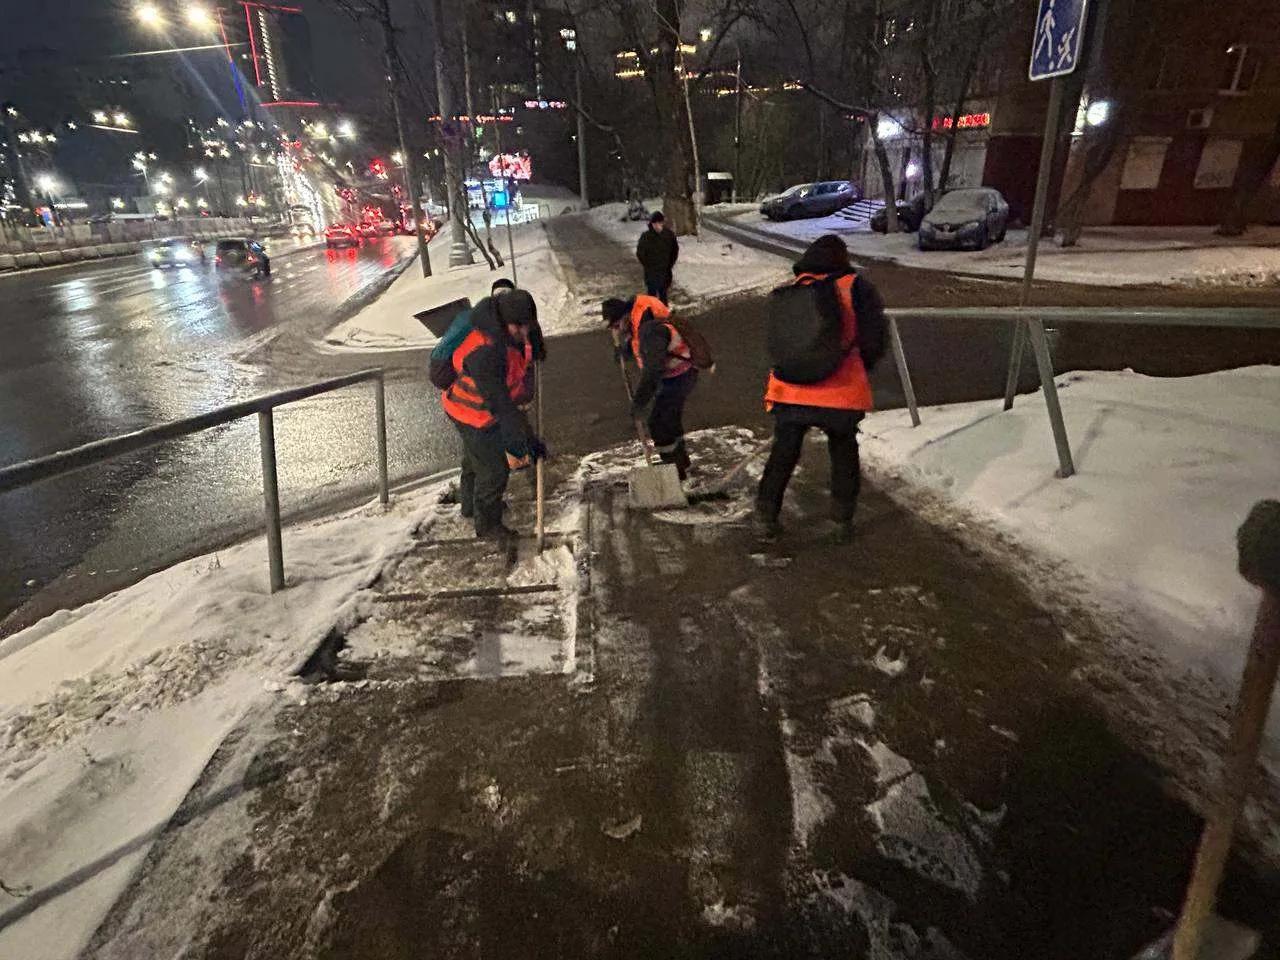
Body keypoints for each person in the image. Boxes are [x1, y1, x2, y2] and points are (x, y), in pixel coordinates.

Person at [755, 234, 886, 543]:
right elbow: (874, 339)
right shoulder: (856, 287)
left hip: (790, 389)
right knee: (843, 451)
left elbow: (777, 343)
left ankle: (766, 516)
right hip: (840, 389)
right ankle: (841, 520)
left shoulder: (791, 290)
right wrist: (855, 365)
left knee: (784, 452)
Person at [441, 289, 546, 543]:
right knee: (494, 470)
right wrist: (524, 440)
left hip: (475, 408)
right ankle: (488, 526)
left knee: (474, 459)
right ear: (504, 321)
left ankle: (470, 507)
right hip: (471, 412)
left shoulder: (507, 334)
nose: (524, 332)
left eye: (527, 326)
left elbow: (510, 391)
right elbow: (501, 405)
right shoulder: (486, 350)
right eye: (518, 327)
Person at [602, 294, 698, 481]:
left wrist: (639, 402)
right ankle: (681, 464)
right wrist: (624, 351)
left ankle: (676, 474)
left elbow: (653, 370)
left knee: (659, 424)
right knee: (669, 421)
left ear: (624, 316)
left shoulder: (649, 330)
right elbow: (639, 346)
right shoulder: (638, 319)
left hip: (678, 376)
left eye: (616, 326)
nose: (617, 331)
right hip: (677, 373)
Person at [635, 211, 678, 304]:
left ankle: (663, 311)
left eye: (659, 223)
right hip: (651, 272)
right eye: (654, 223)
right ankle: (652, 312)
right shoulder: (646, 236)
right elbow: (640, 253)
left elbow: (674, 251)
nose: (657, 225)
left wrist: (669, 264)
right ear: (652, 224)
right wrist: (648, 265)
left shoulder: (669, 235)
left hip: (665, 271)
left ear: (662, 223)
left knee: (663, 295)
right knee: (652, 297)